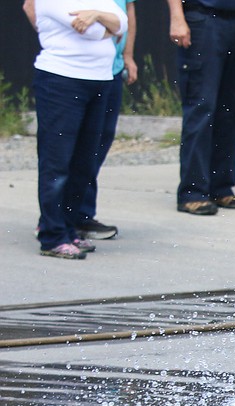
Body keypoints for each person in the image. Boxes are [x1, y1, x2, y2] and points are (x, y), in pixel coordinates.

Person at [27, 0, 127, 259]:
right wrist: (108, 24)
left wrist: (97, 14)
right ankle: (52, 235)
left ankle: (70, 229)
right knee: (57, 162)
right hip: (61, 82)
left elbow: (123, 23)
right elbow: (94, 31)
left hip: (99, 80)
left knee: (84, 162)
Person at [167, 0, 235, 216]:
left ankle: (220, 187)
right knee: (201, 106)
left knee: (232, 109)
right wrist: (177, 17)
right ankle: (193, 192)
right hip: (203, 17)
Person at [80, 0, 136, 240]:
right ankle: (55, 218)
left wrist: (128, 55)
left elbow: (128, 12)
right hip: (78, 70)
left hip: (111, 69)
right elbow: (32, 7)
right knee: (70, 145)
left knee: (99, 141)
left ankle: (80, 215)